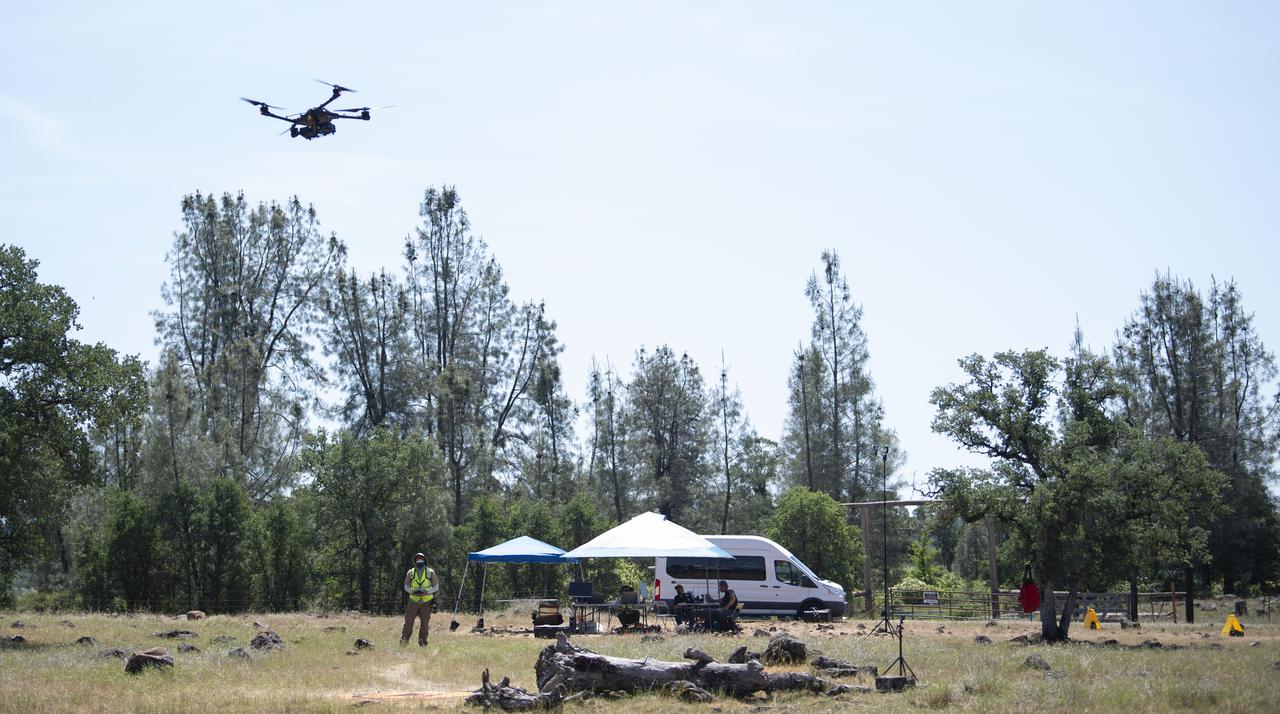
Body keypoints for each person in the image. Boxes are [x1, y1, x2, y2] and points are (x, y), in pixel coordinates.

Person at [401, 552, 438, 646]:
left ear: (425, 560)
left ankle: (423, 644)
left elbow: (436, 586)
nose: (419, 560)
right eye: (417, 559)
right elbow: (406, 585)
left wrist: (428, 591)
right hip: (413, 601)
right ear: (415, 561)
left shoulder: (431, 572)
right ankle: (403, 643)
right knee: (408, 623)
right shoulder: (410, 572)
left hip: (426, 601)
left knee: (425, 625)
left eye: (421, 559)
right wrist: (412, 591)